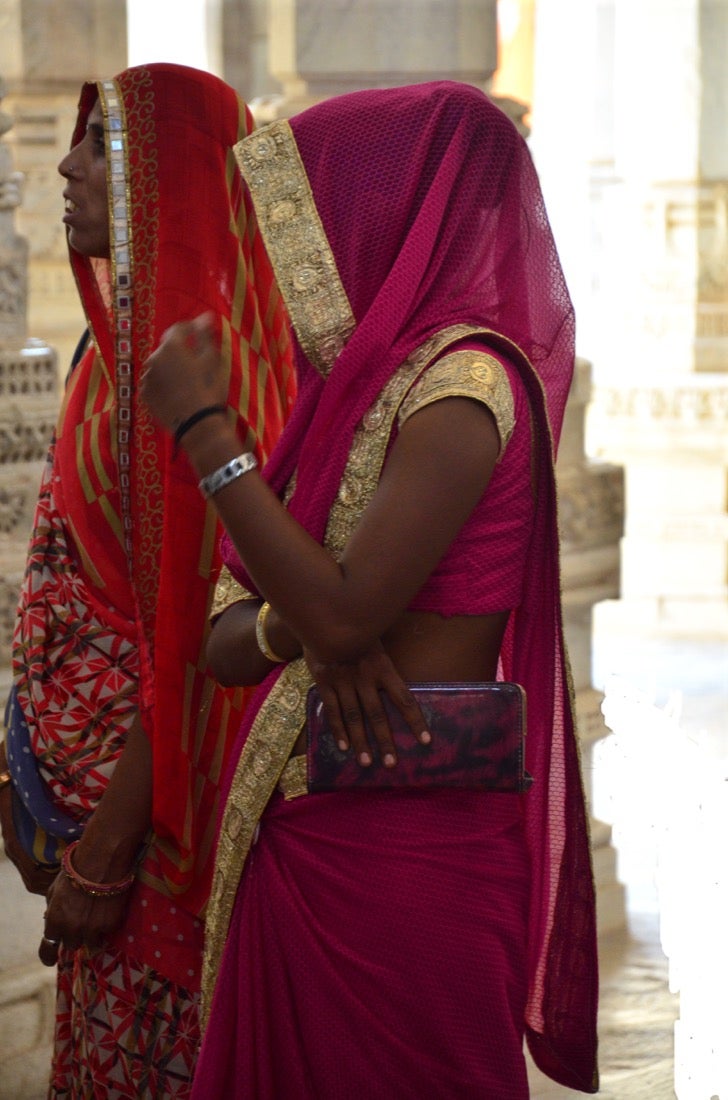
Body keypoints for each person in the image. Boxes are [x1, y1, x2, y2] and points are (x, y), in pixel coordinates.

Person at [141, 81, 599, 1098]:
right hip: (307, 831)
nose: (294, 261)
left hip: (403, 856)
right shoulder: (350, 394)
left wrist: (208, 435)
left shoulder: (463, 390)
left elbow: (344, 610)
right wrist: (295, 626)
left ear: (388, 215)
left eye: (315, 219)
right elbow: (226, 641)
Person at [0, 63, 294, 1097]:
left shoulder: (201, 379)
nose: (67, 170)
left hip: (149, 857)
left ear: (167, 181)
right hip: (88, 838)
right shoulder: (108, 350)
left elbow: (191, 634)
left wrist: (106, 849)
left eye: (101, 150)